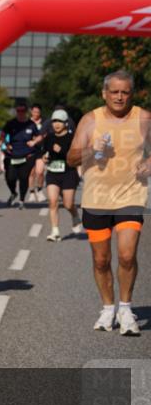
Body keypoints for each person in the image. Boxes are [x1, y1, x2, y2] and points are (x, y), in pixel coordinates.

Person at [67, 70, 149, 336]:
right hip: (97, 198)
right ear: (104, 93)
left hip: (131, 195)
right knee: (101, 260)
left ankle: (125, 308)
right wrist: (93, 150)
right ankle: (107, 307)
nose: (119, 96)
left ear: (131, 93)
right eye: (114, 91)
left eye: (125, 92)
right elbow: (71, 158)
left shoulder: (144, 118)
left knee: (127, 255)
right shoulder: (90, 120)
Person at [42, 108, 82, 241]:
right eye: (54, 121)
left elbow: (76, 157)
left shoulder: (72, 138)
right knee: (52, 202)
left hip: (68, 173)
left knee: (68, 204)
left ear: (66, 123)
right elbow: (45, 153)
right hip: (53, 172)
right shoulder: (49, 137)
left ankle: (75, 215)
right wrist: (44, 158)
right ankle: (55, 231)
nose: (56, 124)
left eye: (59, 121)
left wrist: (63, 151)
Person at [0, 102, 41, 209]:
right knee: (10, 177)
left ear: (26, 112)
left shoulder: (31, 124)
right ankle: (13, 192)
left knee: (23, 177)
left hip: (27, 155)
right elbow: (3, 134)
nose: (20, 113)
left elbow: (39, 136)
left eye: (23, 111)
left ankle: (22, 200)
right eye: (18, 111)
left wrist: (34, 142)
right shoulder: (11, 123)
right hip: (13, 154)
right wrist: (6, 144)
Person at [27, 104, 46, 202]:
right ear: (31, 112)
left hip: (41, 150)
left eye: (38, 112)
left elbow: (46, 134)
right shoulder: (27, 122)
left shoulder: (44, 122)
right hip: (29, 151)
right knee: (31, 173)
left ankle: (39, 190)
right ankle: (31, 192)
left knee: (40, 171)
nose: (36, 114)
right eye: (34, 112)